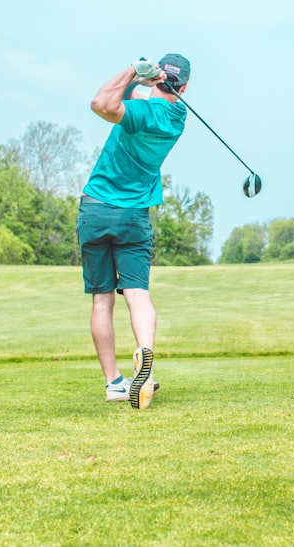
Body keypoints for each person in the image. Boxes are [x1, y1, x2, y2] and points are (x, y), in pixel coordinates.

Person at [77, 54, 190, 410]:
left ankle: (114, 383)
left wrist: (134, 72)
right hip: (133, 217)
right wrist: (146, 83)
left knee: (102, 299)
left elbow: (101, 103)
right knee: (138, 293)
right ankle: (145, 361)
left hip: (95, 210)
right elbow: (124, 105)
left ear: (158, 80)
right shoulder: (177, 118)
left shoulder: (140, 112)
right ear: (184, 87)